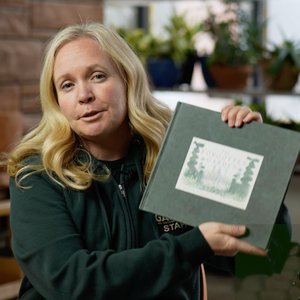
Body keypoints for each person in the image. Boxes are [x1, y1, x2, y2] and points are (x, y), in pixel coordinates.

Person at [5, 22, 288, 300]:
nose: (84, 95)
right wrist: (192, 246)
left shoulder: (179, 156)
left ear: (128, 79)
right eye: (67, 85)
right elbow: (72, 283)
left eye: (98, 76)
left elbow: (268, 263)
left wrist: (255, 163)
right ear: (56, 100)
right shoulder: (37, 174)